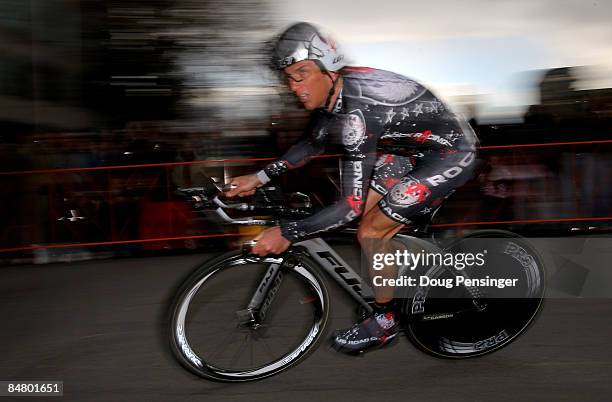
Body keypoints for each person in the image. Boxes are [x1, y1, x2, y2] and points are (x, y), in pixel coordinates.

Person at [226, 22, 478, 353]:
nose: (295, 85)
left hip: (451, 153)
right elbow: (312, 144)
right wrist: (258, 178)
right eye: (289, 77)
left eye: (302, 73)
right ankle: (410, 265)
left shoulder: (358, 113)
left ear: (329, 70)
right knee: (369, 226)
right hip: (408, 153)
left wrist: (288, 232)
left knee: (370, 231)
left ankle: (387, 321)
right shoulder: (336, 96)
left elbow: (350, 206)